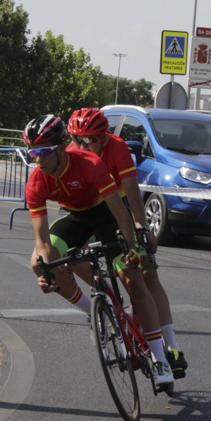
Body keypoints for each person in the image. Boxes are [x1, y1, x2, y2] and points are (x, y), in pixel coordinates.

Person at [24, 114, 174, 389]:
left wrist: (130, 246)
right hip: (76, 219)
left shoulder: (90, 163)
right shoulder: (36, 181)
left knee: (133, 279)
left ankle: (160, 356)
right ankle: (96, 314)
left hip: (105, 214)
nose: (38, 159)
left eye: (43, 152)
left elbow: (120, 212)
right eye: (32, 152)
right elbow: (42, 240)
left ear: (59, 148)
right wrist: (48, 271)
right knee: (37, 262)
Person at [67, 107, 187, 378]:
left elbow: (133, 196)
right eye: (76, 140)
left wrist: (141, 228)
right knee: (74, 258)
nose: (82, 146)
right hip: (89, 210)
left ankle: (173, 347)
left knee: (146, 273)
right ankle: (107, 305)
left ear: (104, 138)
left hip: (119, 205)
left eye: (90, 140)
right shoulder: (71, 155)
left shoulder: (117, 149)